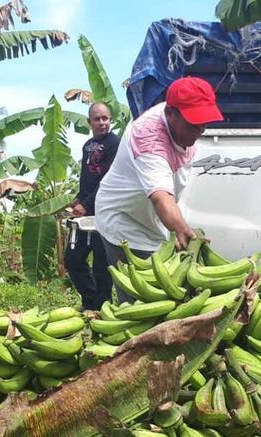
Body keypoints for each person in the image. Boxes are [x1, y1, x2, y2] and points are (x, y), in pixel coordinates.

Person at [94, 77, 224, 300]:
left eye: (204, 122)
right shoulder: (148, 136)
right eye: (194, 123)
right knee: (142, 302)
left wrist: (175, 228)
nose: (201, 129)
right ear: (170, 113)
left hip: (153, 222)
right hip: (124, 223)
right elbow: (161, 197)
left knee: (168, 294)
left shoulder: (182, 127)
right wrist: (181, 228)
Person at [65, 102, 120, 311]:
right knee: (73, 259)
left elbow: (108, 180)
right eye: (97, 119)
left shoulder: (115, 143)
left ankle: (103, 308)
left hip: (105, 212)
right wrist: (79, 199)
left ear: (110, 120)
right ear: (89, 122)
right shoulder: (87, 145)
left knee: (101, 265)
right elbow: (86, 179)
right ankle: (90, 301)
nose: (102, 122)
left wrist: (86, 204)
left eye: (105, 118)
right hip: (85, 215)